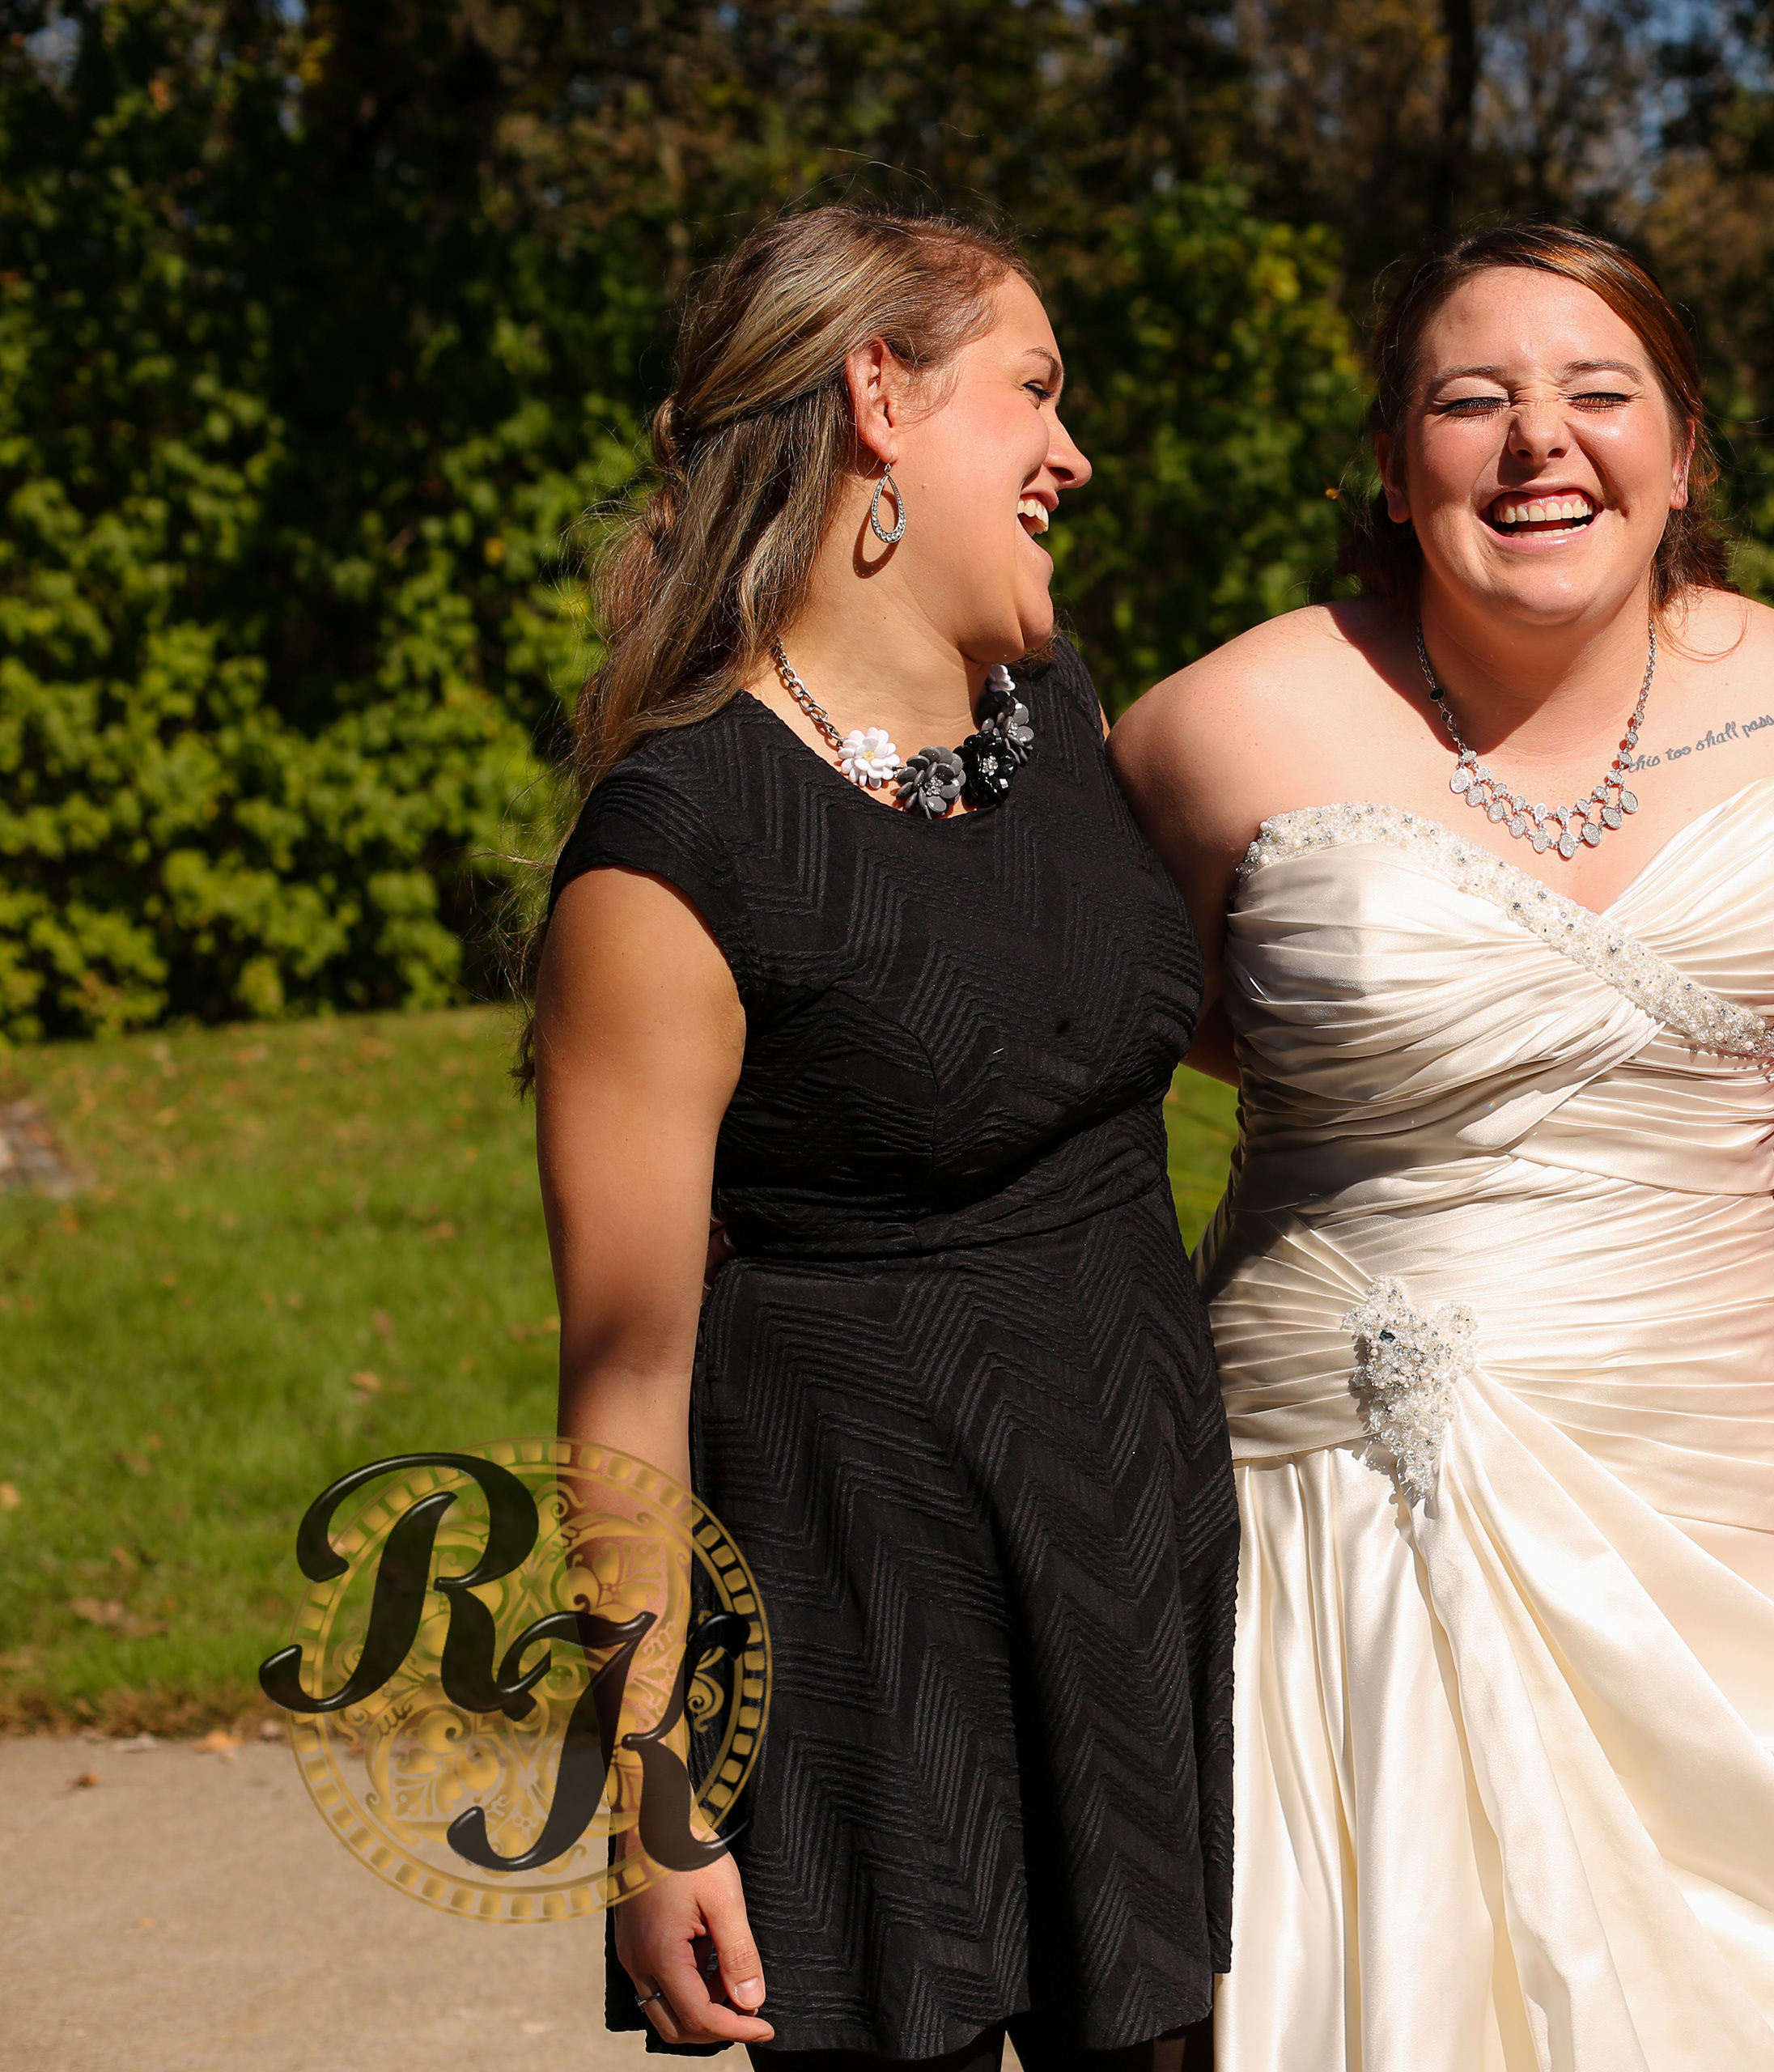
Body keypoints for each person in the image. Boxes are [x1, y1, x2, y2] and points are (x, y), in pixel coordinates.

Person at [1112, 223, 1774, 2072]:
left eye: (1599, 392)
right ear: (1390, 459)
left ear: (1685, 445)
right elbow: (1125, 1048)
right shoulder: (1210, 731)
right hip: (1344, 1517)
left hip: (1733, 1515)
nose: (1539, 443)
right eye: (1471, 400)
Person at [528, 204, 1230, 2068]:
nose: (1073, 452)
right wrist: (651, 1802)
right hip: (867, 1624)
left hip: (1131, 1571)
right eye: (1034, 389)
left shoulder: (1058, 715)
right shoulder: (677, 850)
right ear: (878, 399)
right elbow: (624, 1381)